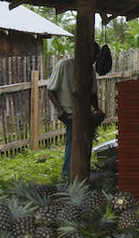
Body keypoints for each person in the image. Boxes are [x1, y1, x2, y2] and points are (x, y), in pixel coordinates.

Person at [47, 42, 103, 179]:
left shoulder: (90, 69)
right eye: (94, 54)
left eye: (96, 55)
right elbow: (50, 90)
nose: (95, 58)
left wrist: (97, 110)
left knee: (85, 144)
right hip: (69, 113)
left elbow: (93, 94)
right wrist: (60, 110)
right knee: (73, 145)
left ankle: (81, 173)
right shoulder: (64, 65)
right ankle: (67, 175)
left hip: (84, 113)